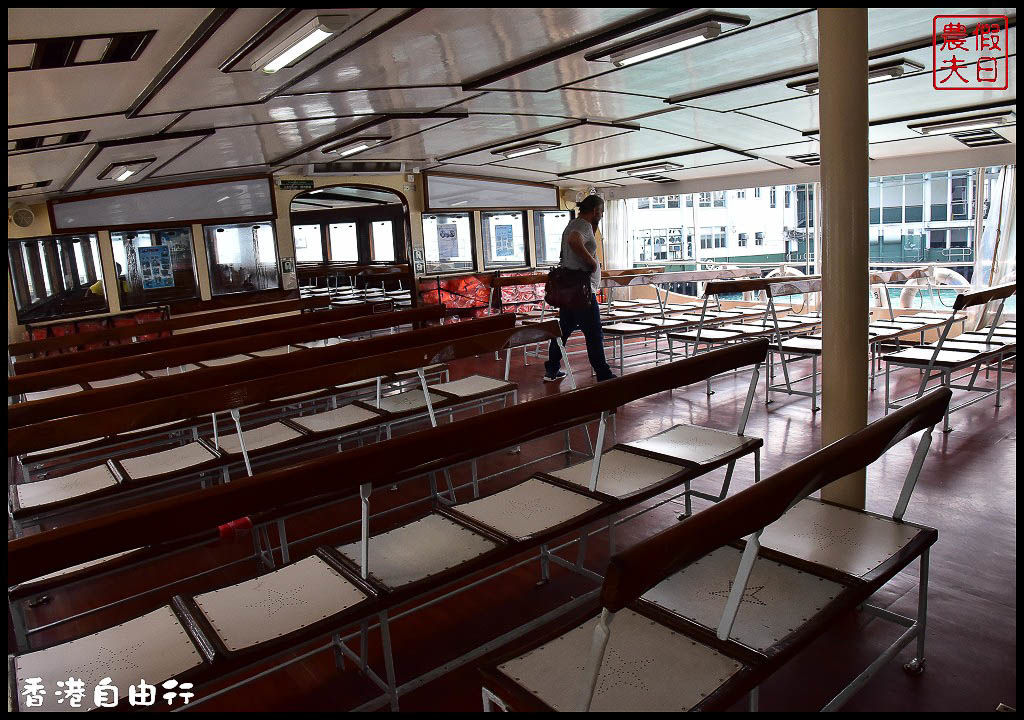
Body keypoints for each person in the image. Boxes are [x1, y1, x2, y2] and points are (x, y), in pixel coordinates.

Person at [544, 195, 616, 382]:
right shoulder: (582, 226)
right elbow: (574, 241)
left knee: (563, 332)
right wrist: (592, 262)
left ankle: (552, 368)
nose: (601, 215)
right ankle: (604, 374)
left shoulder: (572, 224)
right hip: (582, 293)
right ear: (594, 211)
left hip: (571, 291)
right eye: (601, 212)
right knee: (594, 334)